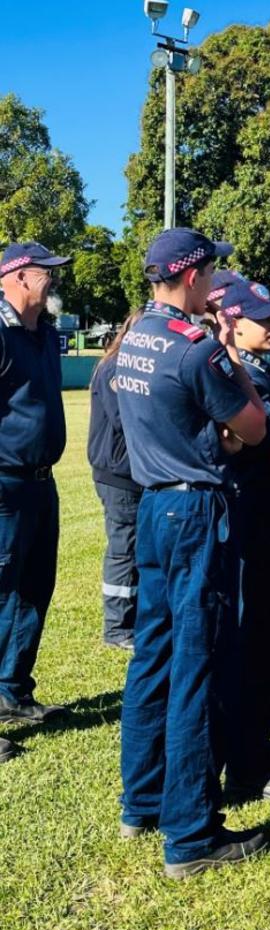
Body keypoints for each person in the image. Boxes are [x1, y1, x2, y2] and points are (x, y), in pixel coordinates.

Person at [116, 227, 269, 878]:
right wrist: (229, 356)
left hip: (152, 506)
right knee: (195, 666)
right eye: (210, 274)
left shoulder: (133, 340)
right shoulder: (195, 349)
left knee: (152, 655)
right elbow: (253, 426)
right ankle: (190, 832)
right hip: (194, 511)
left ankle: (141, 801)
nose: (215, 284)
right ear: (192, 276)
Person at [219, 278, 270, 799]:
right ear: (234, 323)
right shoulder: (240, 375)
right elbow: (260, 439)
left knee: (267, 645)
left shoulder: (263, 373)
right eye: (262, 319)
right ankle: (247, 761)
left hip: (265, 524)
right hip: (252, 525)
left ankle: (252, 752)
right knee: (255, 646)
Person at [0, 241, 71, 762]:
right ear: (20, 276)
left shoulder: (43, 333)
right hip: (4, 484)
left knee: (32, 590)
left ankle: (12, 690)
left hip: (41, 482)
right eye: (47, 273)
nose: (54, 281)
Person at [87, 311, 144, 651]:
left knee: (134, 547)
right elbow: (128, 419)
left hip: (129, 472)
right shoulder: (117, 368)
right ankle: (117, 627)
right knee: (124, 549)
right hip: (119, 474)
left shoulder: (126, 365)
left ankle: (130, 619)